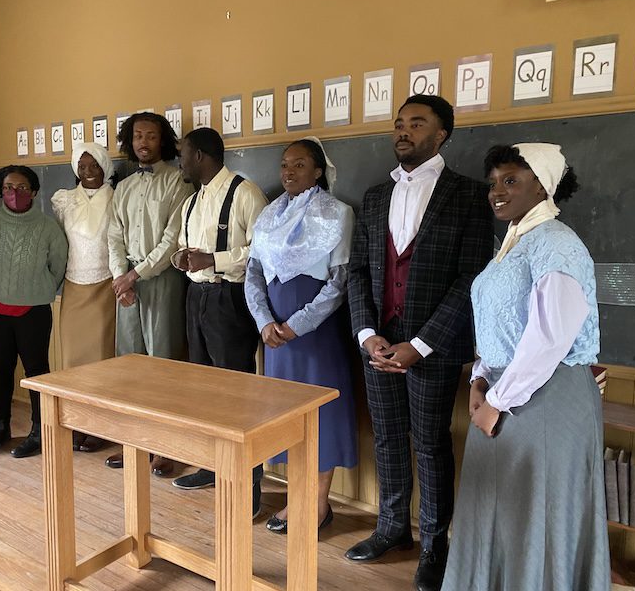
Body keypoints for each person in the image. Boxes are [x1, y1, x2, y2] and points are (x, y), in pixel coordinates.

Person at [441, 143, 609, 591]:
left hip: (545, 399)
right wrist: (479, 378)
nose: (496, 191)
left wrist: (497, 400)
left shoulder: (557, 244)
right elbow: (500, 324)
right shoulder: (514, 244)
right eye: (493, 182)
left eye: (511, 180)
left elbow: (550, 337)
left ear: (542, 186)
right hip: (504, 393)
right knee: (501, 512)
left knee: (538, 515)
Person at [346, 94, 493, 591]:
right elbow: (359, 271)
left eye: (416, 123)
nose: (403, 131)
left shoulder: (469, 195)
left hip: (433, 346)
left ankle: (434, 544)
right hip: (378, 342)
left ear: (441, 134)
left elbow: (472, 278)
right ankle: (392, 529)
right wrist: (367, 334)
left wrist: (422, 343)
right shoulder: (374, 197)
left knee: (430, 443)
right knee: (387, 437)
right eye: (398, 124)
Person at [244, 137, 358, 531]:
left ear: (318, 170)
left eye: (299, 164)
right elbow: (253, 274)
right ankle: (297, 495)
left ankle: (318, 504)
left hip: (315, 334)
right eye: (284, 165)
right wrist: (264, 321)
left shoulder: (338, 213)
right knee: (284, 416)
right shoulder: (268, 215)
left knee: (321, 415)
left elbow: (339, 282)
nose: (289, 172)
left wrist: (297, 325)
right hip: (275, 336)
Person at [168, 127, 269, 517]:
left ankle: (250, 481)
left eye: (183, 154)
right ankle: (212, 466)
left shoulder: (246, 193)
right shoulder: (191, 202)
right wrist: (181, 258)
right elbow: (182, 246)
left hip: (231, 299)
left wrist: (214, 260)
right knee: (204, 390)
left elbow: (261, 251)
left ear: (200, 156)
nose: (179, 161)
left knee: (237, 394)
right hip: (196, 297)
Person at [105, 112, 192, 475]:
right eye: (138, 135)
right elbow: (114, 236)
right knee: (129, 366)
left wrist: (135, 274)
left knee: (162, 365)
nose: (144, 142)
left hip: (162, 278)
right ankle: (134, 444)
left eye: (151, 136)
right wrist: (119, 277)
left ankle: (165, 447)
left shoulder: (178, 182)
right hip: (126, 283)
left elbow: (172, 239)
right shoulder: (123, 187)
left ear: (163, 140)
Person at [0, 165, 68, 458]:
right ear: (0, 191)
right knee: (0, 369)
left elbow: (58, 266)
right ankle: (0, 427)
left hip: (33, 310)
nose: (15, 193)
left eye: (23, 187)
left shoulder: (48, 227)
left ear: (35, 191)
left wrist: (35, 288)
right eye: (8, 188)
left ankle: (40, 430)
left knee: (37, 372)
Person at [52, 142, 115, 453]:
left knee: (102, 361)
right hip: (73, 286)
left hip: (106, 284)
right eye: (82, 166)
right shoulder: (64, 200)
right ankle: (76, 423)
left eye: (94, 166)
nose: (88, 172)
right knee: (72, 362)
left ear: (106, 167)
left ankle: (101, 426)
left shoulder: (116, 198)